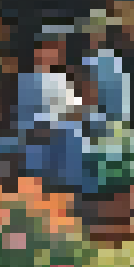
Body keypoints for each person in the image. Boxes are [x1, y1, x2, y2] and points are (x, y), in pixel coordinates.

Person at [15, 31, 88, 188]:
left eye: (55, 52)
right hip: (41, 131)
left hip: (63, 129)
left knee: (71, 134)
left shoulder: (61, 79)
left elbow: (76, 109)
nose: (50, 56)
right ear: (37, 53)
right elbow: (26, 115)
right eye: (46, 51)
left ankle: (69, 187)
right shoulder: (28, 81)